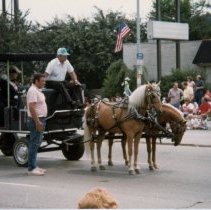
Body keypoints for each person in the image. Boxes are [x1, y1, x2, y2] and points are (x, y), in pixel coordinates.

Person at [26, 74, 47, 176]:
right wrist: (37, 121)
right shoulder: (33, 91)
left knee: (37, 143)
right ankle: (31, 168)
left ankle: (34, 165)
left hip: (41, 119)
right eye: (42, 81)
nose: (44, 83)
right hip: (36, 120)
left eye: (44, 81)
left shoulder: (37, 90)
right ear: (36, 81)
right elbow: (32, 108)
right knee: (34, 143)